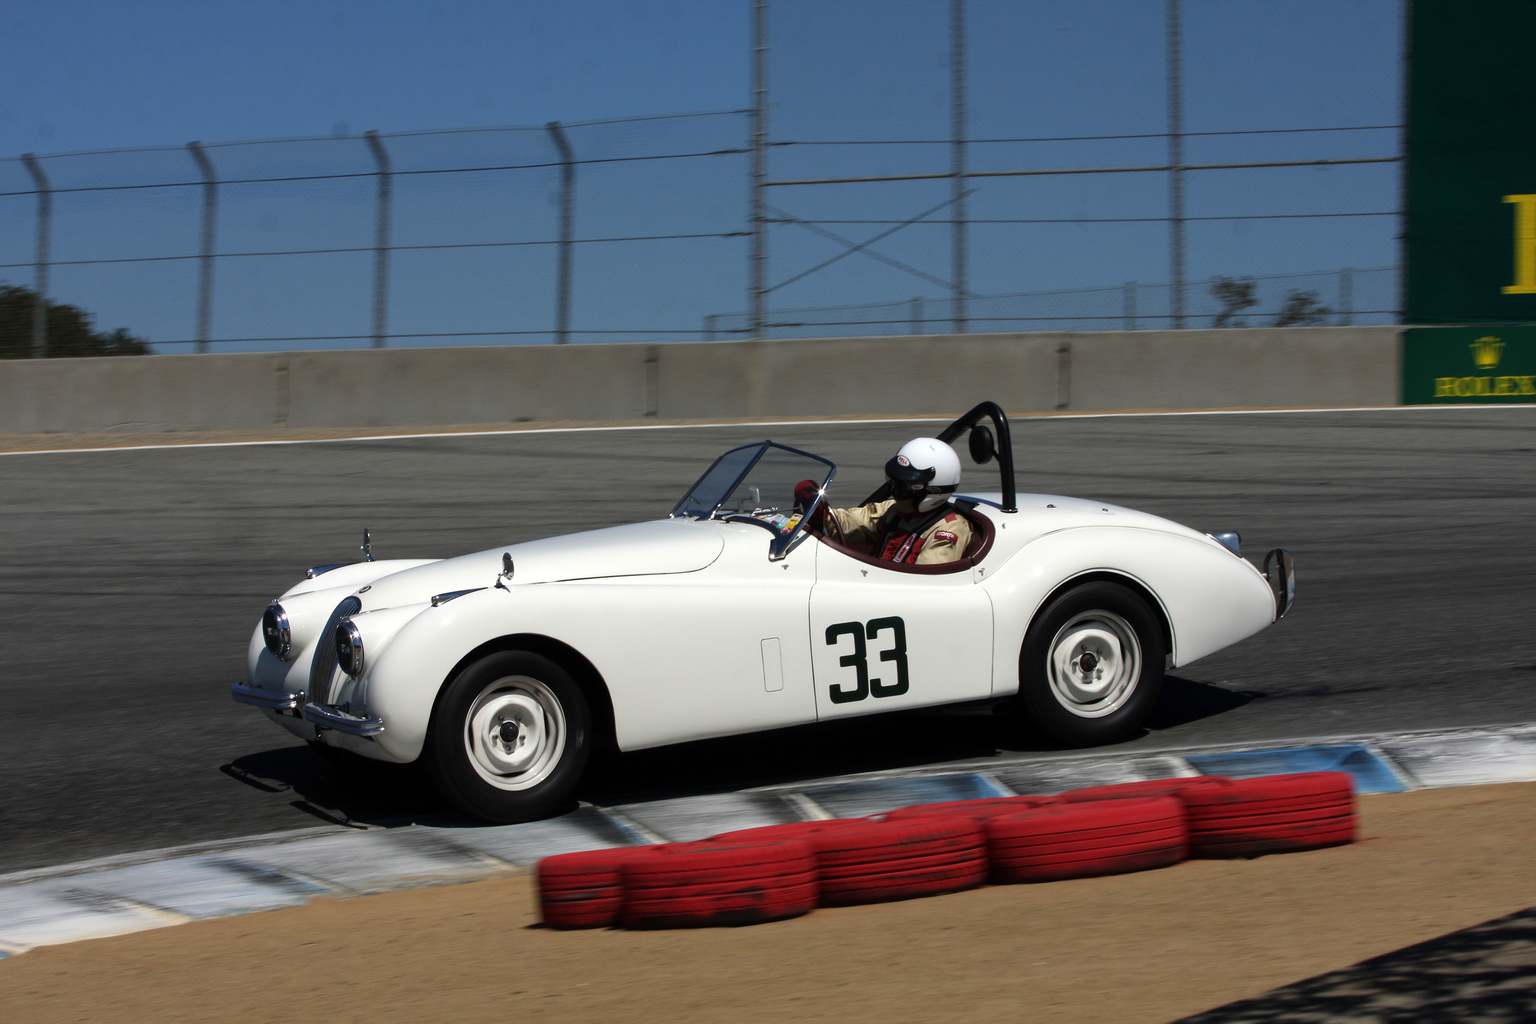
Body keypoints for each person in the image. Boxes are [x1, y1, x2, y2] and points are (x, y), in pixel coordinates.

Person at [795, 437, 973, 565]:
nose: (894, 491)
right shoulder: (895, 510)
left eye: (902, 486)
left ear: (932, 490)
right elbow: (854, 522)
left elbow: (925, 584)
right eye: (893, 482)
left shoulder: (948, 530)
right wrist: (819, 511)